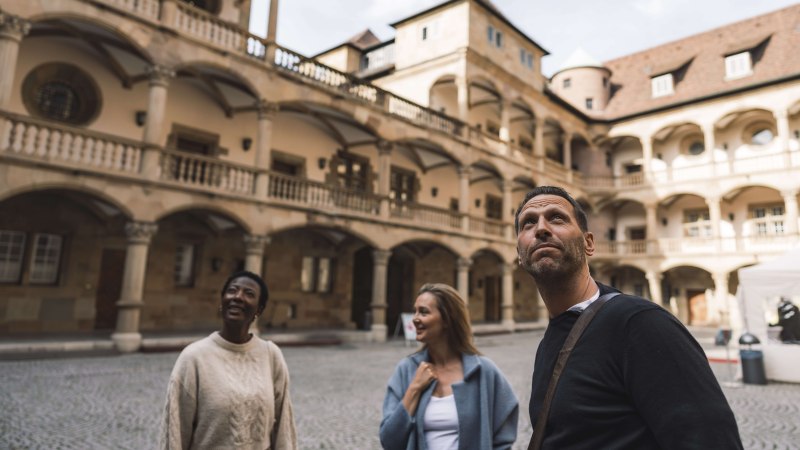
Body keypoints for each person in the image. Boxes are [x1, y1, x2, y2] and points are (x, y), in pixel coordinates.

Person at [515, 186, 743, 449]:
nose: (541, 228)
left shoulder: (640, 324)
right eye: (528, 223)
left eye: (557, 218)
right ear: (520, 255)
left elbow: (710, 439)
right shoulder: (551, 339)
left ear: (589, 243)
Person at [160, 270, 297, 450]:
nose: (238, 297)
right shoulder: (194, 357)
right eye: (232, 291)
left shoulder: (271, 355)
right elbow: (175, 430)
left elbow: (284, 427)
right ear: (222, 301)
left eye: (249, 294)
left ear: (259, 309)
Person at [380, 283, 518, 450]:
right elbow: (389, 441)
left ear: (447, 319)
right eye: (415, 311)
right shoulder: (406, 370)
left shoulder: (483, 371)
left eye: (423, 312)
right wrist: (414, 388)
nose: (415, 318)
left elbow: (504, 437)